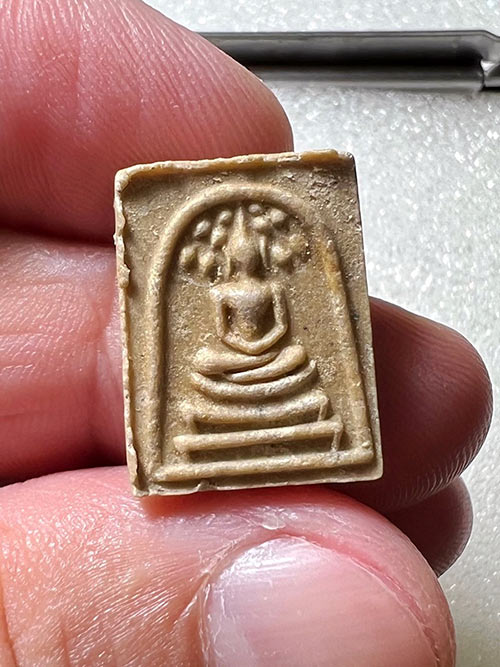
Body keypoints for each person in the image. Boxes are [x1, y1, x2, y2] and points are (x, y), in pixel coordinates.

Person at [0, 0, 492, 664]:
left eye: (250, 258)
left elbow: (282, 335)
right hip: (226, 374)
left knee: (298, 369)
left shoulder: (269, 286)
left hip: (277, 371)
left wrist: (271, 359)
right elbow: (224, 345)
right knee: (205, 372)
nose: (244, 268)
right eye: (237, 260)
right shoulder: (224, 290)